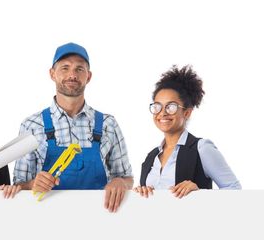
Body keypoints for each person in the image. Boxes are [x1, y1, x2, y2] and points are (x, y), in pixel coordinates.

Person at [14, 43, 133, 212]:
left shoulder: (108, 124)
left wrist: (120, 182)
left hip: (100, 217)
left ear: (89, 76)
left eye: (79, 69)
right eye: (65, 68)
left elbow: (127, 179)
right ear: (52, 74)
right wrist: (33, 184)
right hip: (46, 218)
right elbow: (18, 186)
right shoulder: (32, 125)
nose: (72, 75)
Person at [134, 65, 241, 198]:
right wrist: (140, 194)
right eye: (157, 106)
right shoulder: (151, 157)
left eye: (171, 106)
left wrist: (199, 192)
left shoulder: (201, 148)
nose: (162, 113)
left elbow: (234, 189)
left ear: (187, 112)